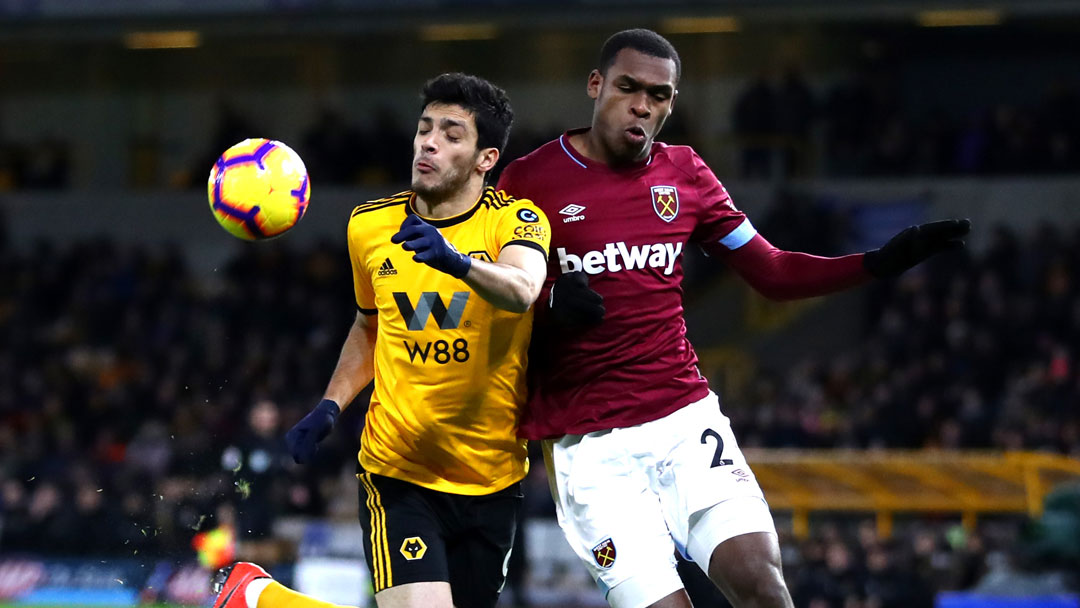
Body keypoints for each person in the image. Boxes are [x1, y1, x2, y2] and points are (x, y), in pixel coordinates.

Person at [495, 29, 969, 608]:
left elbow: (771, 270)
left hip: (683, 420)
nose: (642, 105)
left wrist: (876, 263)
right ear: (596, 86)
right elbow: (494, 294)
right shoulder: (528, 181)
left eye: (659, 95)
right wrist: (546, 301)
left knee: (762, 584)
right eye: (628, 87)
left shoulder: (686, 175)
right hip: (589, 447)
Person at [210, 72, 550, 608]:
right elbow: (370, 325)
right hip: (400, 469)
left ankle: (263, 598)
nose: (429, 143)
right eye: (425, 129)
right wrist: (329, 405)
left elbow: (522, 288)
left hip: (493, 477)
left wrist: (455, 262)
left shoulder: (517, 220)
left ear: (486, 159)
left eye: (452, 134)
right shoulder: (370, 226)